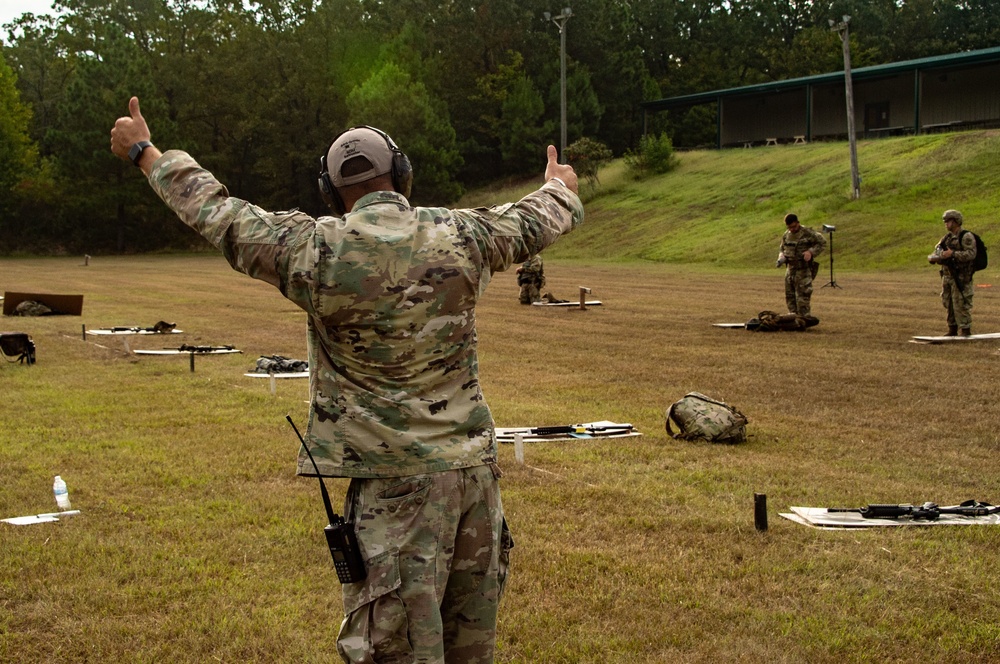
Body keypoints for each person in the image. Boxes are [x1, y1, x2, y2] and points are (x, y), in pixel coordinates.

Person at [110, 97, 583, 663]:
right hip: (474, 485)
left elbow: (219, 213)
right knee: (468, 650)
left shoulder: (314, 249)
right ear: (402, 176)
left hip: (393, 488)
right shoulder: (463, 235)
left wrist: (146, 153)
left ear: (331, 192)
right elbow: (542, 216)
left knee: (392, 651)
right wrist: (558, 185)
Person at [928, 209, 977, 336]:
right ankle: (952, 328)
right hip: (947, 275)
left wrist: (953, 254)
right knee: (948, 302)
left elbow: (971, 254)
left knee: (960, 303)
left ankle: (965, 330)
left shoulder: (966, 236)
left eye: (948, 221)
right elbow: (937, 250)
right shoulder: (946, 238)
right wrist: (936, 257)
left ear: (956, 221)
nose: (946, 223)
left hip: (961, 276)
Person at [776, 213, 826, 317]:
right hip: (790, 271)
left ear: (798, 223)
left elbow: (822, 243)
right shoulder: (786, 235)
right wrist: (782, 257)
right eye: (789, 227)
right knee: (790, 297)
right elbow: (782, 248)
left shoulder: (807, 233)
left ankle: (804, 319)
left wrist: (811, 252)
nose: (792, 229)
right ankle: (793, 319)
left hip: (803, 270)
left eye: (794, 227)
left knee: (803, 297)